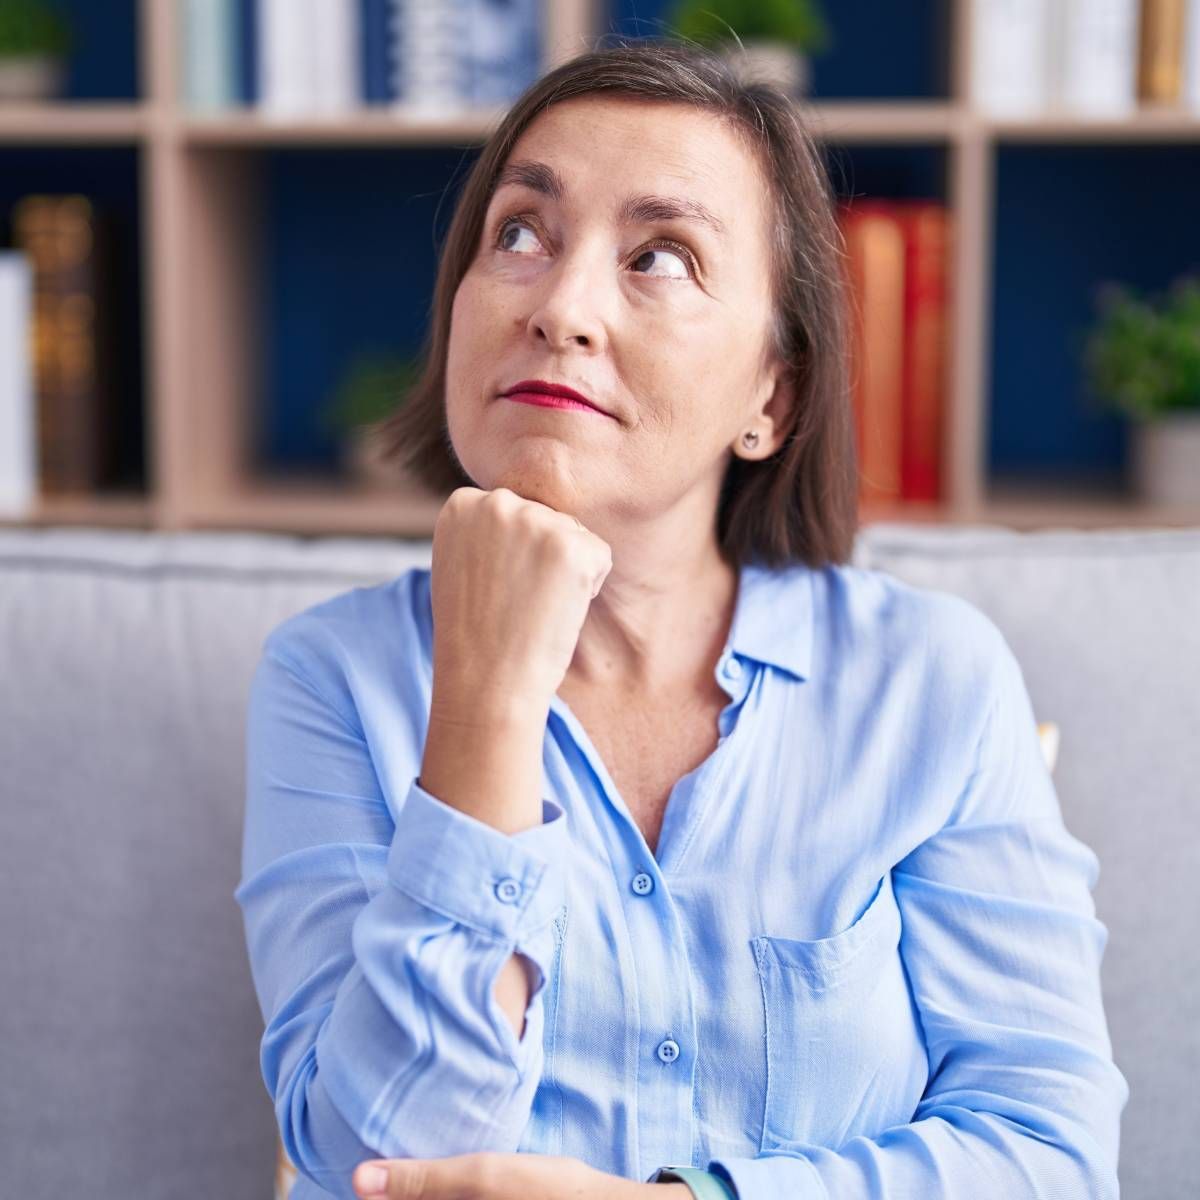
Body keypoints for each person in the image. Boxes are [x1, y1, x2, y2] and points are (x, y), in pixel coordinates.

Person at [234, 39, 1128, 1200]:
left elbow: (1051, 1157)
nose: (561, 307)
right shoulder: (333, 679)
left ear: (773, 394)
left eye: (660, 256)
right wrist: (489, 705)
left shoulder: (928, 680)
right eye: (519, 233)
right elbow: (374, 1160)